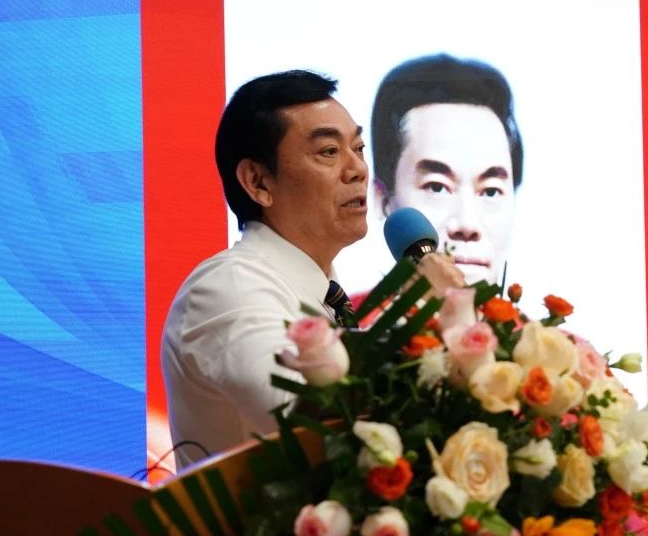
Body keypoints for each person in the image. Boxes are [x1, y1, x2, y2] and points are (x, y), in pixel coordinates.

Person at [162, 70, 459, 468]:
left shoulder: (323, 294)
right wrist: (424, 316)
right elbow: (313, 421)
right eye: (329, 152)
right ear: (258, 181)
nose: (358, 169)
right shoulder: (227, 286)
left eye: (358, 148)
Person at [370, 54, 523, 285]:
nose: (467, 225)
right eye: (437, 187)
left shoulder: (548, 313)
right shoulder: (333, 309)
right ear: (382, 199)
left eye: (491, 191)